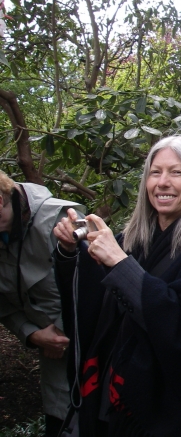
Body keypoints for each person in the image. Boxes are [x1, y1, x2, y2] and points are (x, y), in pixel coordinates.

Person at [53, 136, 181, 437]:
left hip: (171, 417)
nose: (163, 182)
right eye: (155, 172)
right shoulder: (132, 243)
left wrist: (121, 266)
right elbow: (94, 305)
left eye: (177, 172)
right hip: (114, 404)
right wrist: (71, 252)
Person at [0, 171, 84, 437]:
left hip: (88, 349)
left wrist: (60, 334)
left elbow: (97, 284)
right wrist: (33, 333)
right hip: (53, 362)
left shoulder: (57, 220)